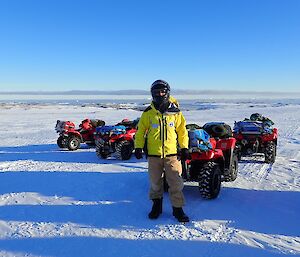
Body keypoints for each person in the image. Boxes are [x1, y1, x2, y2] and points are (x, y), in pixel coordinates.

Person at [134, 79, 190, 223]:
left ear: (167, 92)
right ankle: (156, 206)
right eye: (156, 92)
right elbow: (140, 131)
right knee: (155, 183)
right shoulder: (148, 113)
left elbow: (182, 131)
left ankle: (178, 209)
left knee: (176, 183)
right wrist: (138, 146)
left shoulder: (175, 112)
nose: (159, 94)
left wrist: (184, 147)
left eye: (162, 91)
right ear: (152, 94)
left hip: (172, 154)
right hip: (154, 155)